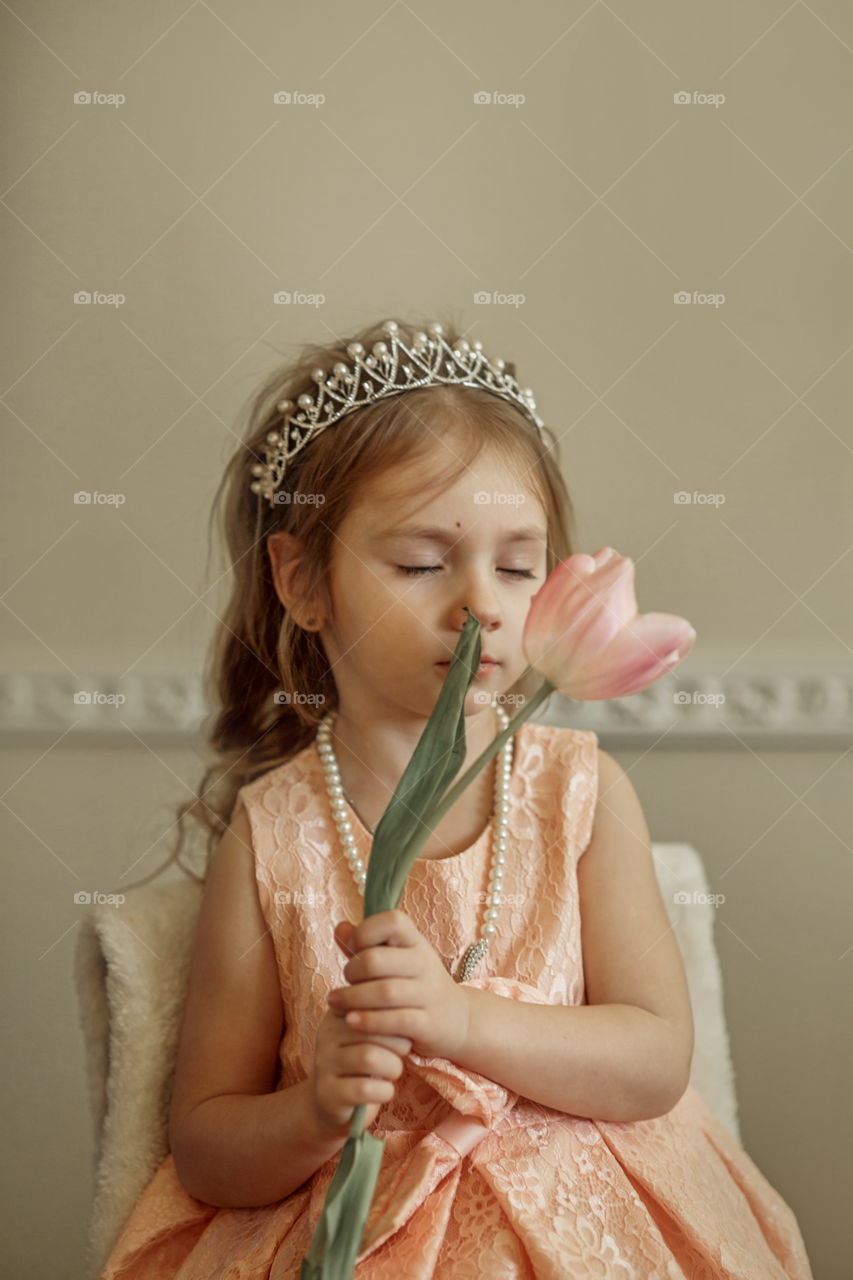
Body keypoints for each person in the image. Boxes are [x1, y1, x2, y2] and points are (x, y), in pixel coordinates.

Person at [98, 315, 814, 1278]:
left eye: (517, 565)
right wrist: (314, 1115)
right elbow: (207, 1147)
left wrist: (463, 1020)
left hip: (585, 1226)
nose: (481, 602)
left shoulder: (580, 793)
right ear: (302, 581)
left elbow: (652, 1061)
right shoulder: (275, 835)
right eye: (422, 564)